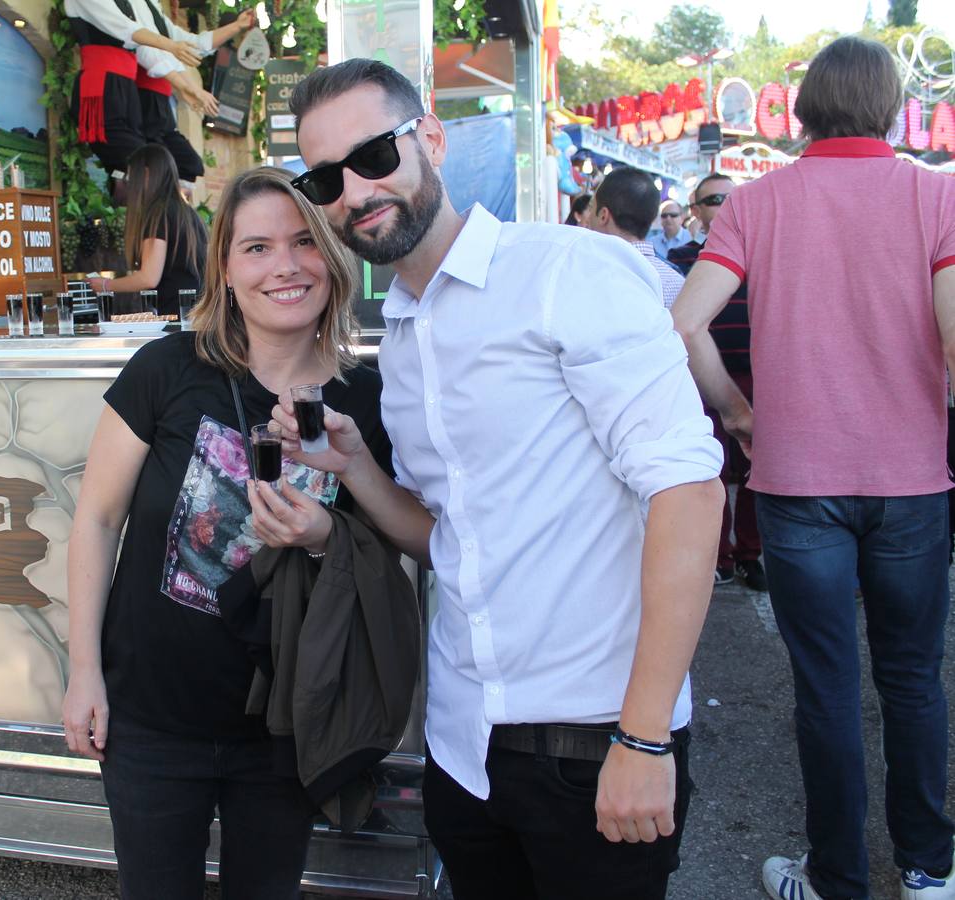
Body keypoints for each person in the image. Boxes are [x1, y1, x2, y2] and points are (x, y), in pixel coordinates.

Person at [286, 58, 725, 899]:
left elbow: (689, 492)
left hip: (596, 742)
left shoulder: (567, 273)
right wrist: (358, 471)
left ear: (433, 140)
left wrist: (644, 740)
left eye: (375, 155)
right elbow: (450, 534)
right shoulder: (405, 337)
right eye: (325, 177)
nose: (355, 190)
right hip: (466, 751)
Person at [672, 35, 955, 900]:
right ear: (888, 104)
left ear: (806, 109)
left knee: (825, 686)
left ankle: (835, 877)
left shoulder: (757, 203)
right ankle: (928, 869)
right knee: (913, 679)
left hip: (796, 483)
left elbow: (683, 325)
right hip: (912, 482)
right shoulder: (937, 197)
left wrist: (739, 413)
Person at [64, 165, 392, 900]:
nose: (285, 265)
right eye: (256, 247)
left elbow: (391, 548)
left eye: (305, 241)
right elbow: (96, 518)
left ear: (332, 259)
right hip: (150, 719)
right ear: (225, 268)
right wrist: (84, 671)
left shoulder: (364, 398)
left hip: (287, 727)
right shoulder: (167, 369)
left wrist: (321, 536)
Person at [668, 173, 765, 591]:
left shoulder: (763, 251)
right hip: (699, 378)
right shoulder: (680, 257)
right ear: (697, 209)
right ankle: (718, 557)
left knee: (755, 475)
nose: (723, 205)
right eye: (713, 199)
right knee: (712, 471)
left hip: (757, 377)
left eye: (730, 197)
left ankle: (749, 554)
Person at [64, 0, 253, 180]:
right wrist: (183, 78)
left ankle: (145, 202)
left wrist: (237, 26)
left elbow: (185, 46)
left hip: (127, 91)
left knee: (167, 166)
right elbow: (130, 33)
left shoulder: (146, 6)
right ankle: (135, 197)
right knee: (143, 165)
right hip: (103, 85)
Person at [87, 144, 207, 316]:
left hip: (174, 316)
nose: (129, 185)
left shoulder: (158, 214)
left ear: (146, 173)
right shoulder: (188, 213)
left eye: (131, 177)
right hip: (197, 313)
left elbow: (149, 277)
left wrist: (105, 285)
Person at [590, 168, 686, 309]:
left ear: (603, 215)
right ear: (653, 218)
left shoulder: (587, 275)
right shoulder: (677, 283)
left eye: (592, 207)